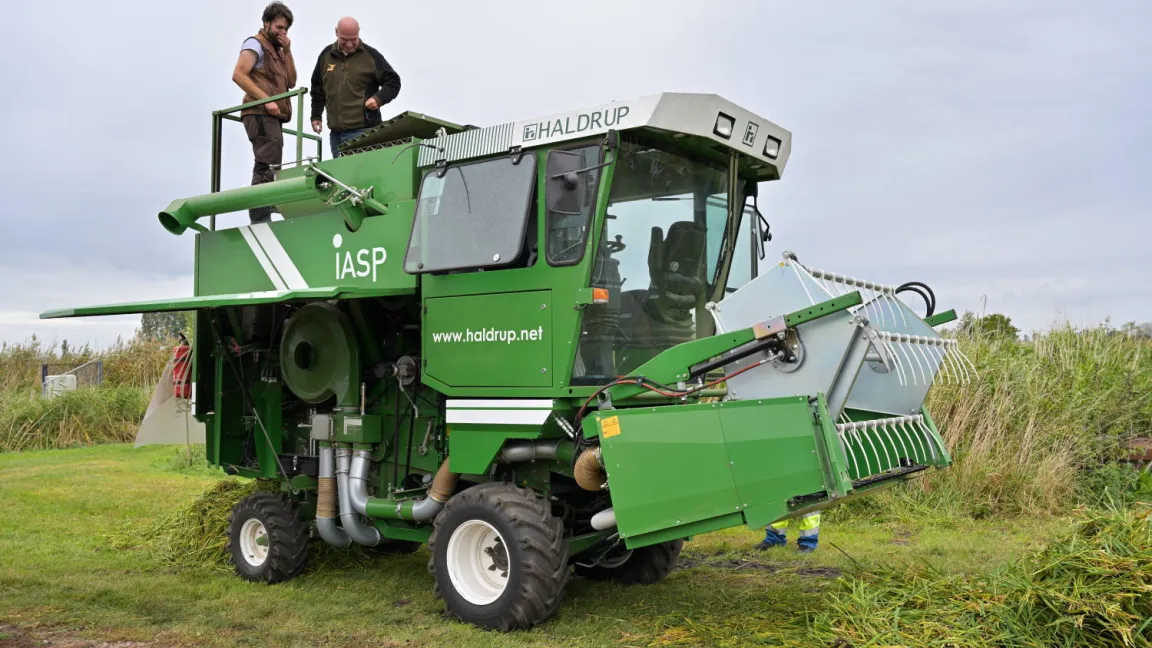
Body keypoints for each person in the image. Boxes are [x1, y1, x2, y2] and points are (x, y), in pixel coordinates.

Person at [232, 2, 297, 224]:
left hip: (273, 115)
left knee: (273, 161)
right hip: (258, 111)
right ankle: (260, 218)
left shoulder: (278, 51)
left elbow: (292, 80)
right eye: (279, 27)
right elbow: (239, 74)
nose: (282, 32)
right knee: (266, 162)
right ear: (266, 23)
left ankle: (265, 210)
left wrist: (287, 50)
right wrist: (266, 100)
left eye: (286, 29)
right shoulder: (255, 43)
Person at [309, 17, 401, 157]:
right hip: (336, 134)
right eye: (345, 39)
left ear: (359, 33)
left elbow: (394, 81)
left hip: (364, 132)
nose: (350, 44)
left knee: (362, 177)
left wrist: (379, 99)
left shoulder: (371, 56)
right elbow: (317, 88)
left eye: (354, 39)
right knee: (342, 177)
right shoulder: (326, 56)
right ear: (336, 33)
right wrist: (316, 115)